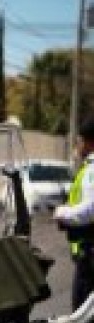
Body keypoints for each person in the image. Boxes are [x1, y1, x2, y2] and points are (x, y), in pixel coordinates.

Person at [54, 118, 94, 310]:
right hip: (86, 251)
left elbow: (90, 210)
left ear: (89, 142)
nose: (77, 145)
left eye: (79, 140)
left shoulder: (92, 170)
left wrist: (62, 213)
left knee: (83, 316)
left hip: (90, 254)